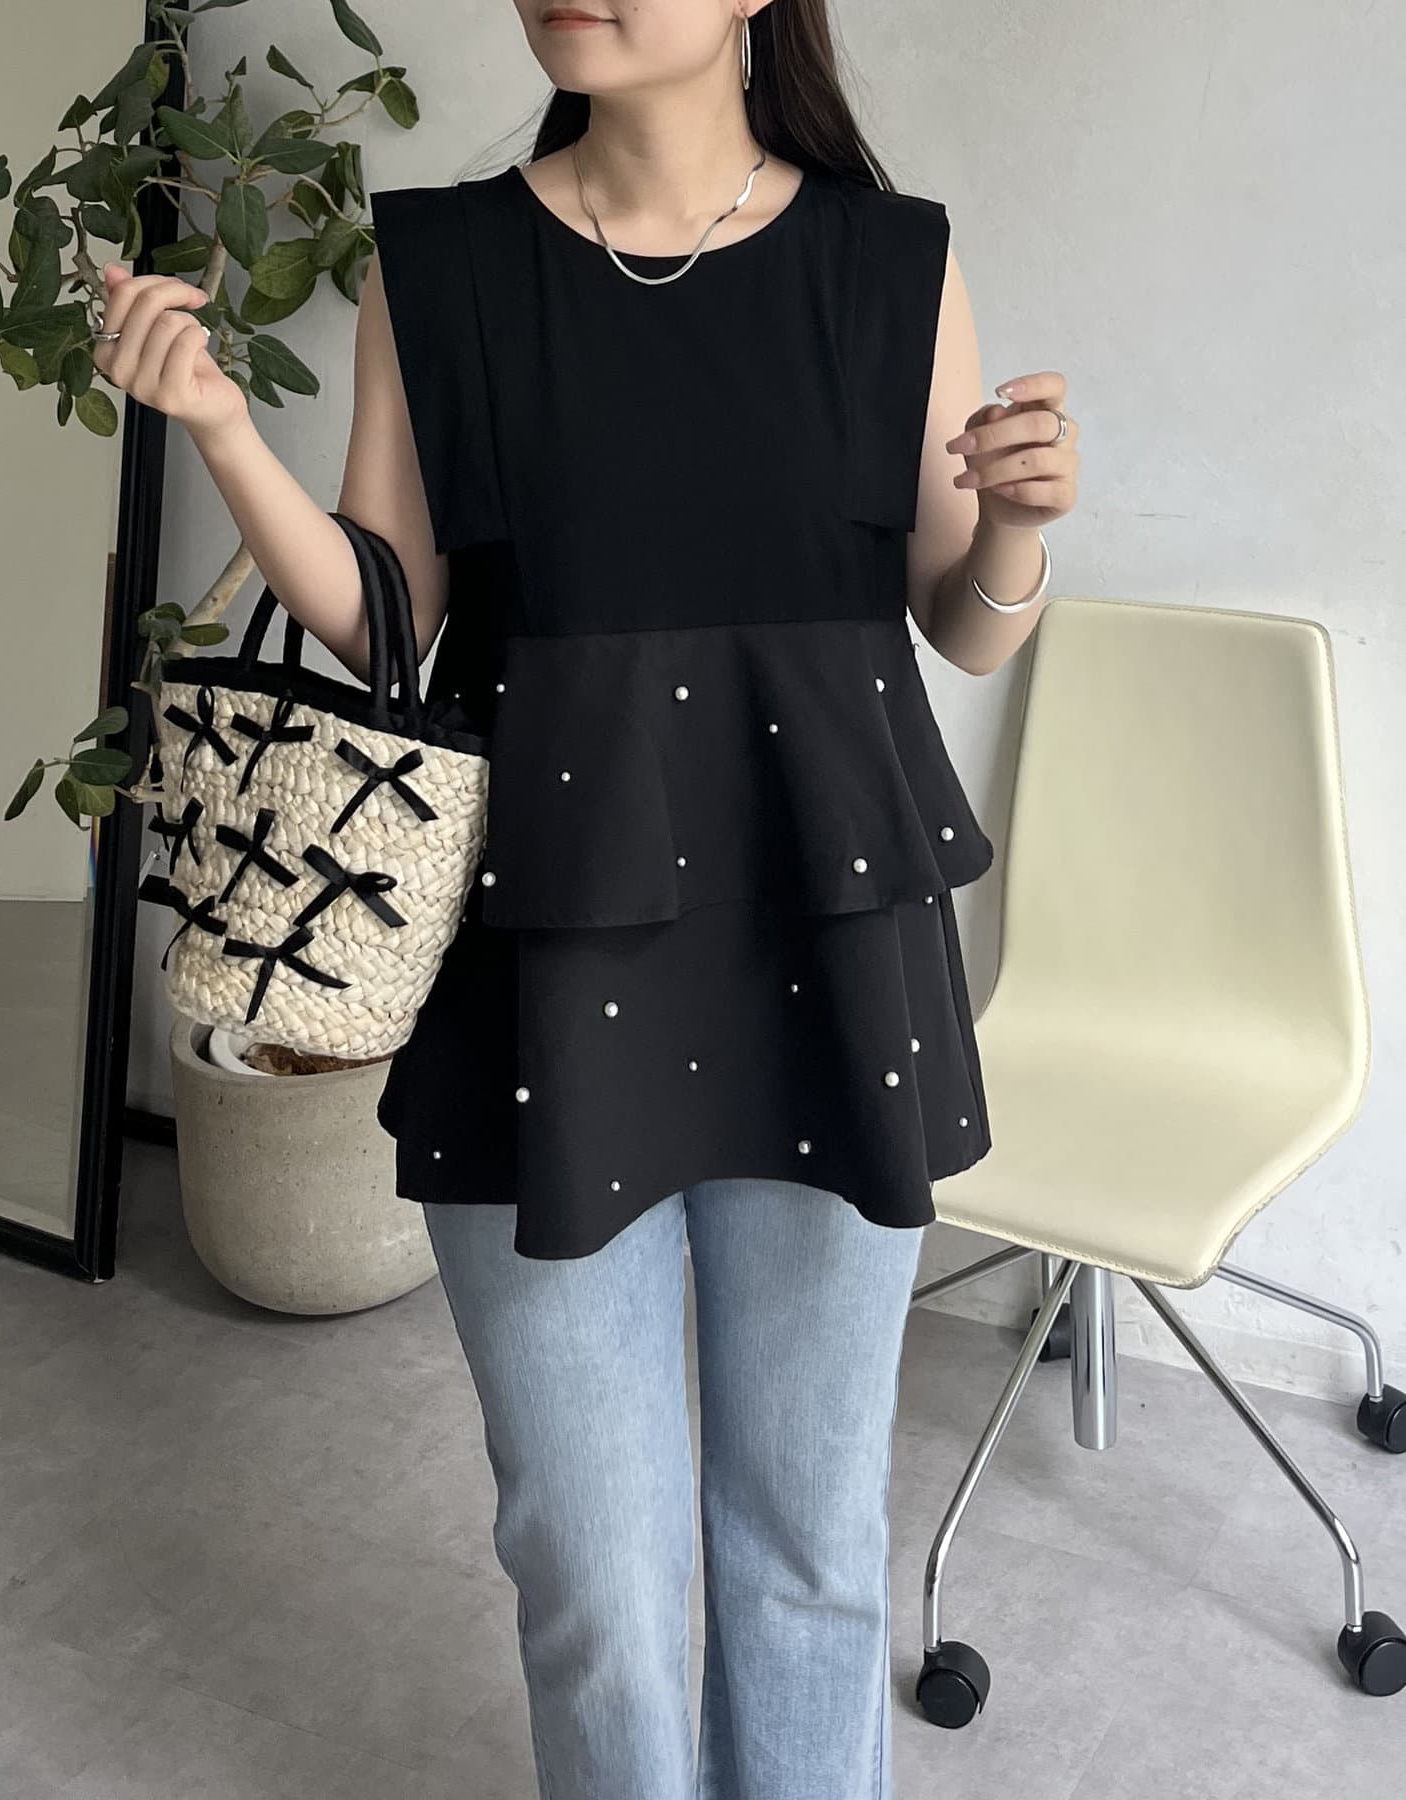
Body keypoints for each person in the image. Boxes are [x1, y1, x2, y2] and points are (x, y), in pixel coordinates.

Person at [94, 3, 1079, 1793]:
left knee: (808, 1556)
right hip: (534, 961)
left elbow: (962, 625)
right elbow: (392, 613)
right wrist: (226, 430)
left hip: (828, 952)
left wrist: (1015, 526)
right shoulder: (445, 265)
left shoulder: (889, 264)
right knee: (593, 1583)